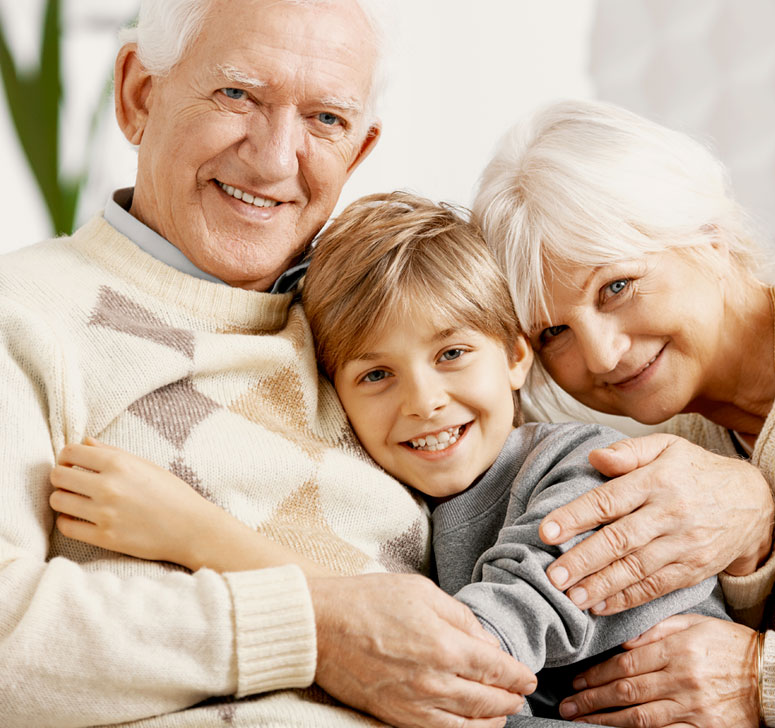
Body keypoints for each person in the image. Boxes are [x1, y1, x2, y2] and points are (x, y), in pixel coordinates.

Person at [0, 1, 542, 726]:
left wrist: (732, 495)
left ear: (361, 147)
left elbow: (585, 432)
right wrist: (312, 627)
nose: (274, 156)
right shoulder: (28, 314)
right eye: (237, 95)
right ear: (139, 94)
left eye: (326, 120)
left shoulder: (377, 321)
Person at [48, 191, 731, 720]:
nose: (424, 401)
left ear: (517, 355)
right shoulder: (415, 509)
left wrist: (190, 531)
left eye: (453, 354)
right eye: (376, 375)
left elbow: (467, 665)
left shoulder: (587, 471)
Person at [472, 97, 775, 727]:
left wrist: (761, 676)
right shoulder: (673, 453)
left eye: (616, 286)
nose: (601, 354)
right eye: (553, 334)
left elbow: (742, 678)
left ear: (707, 235)